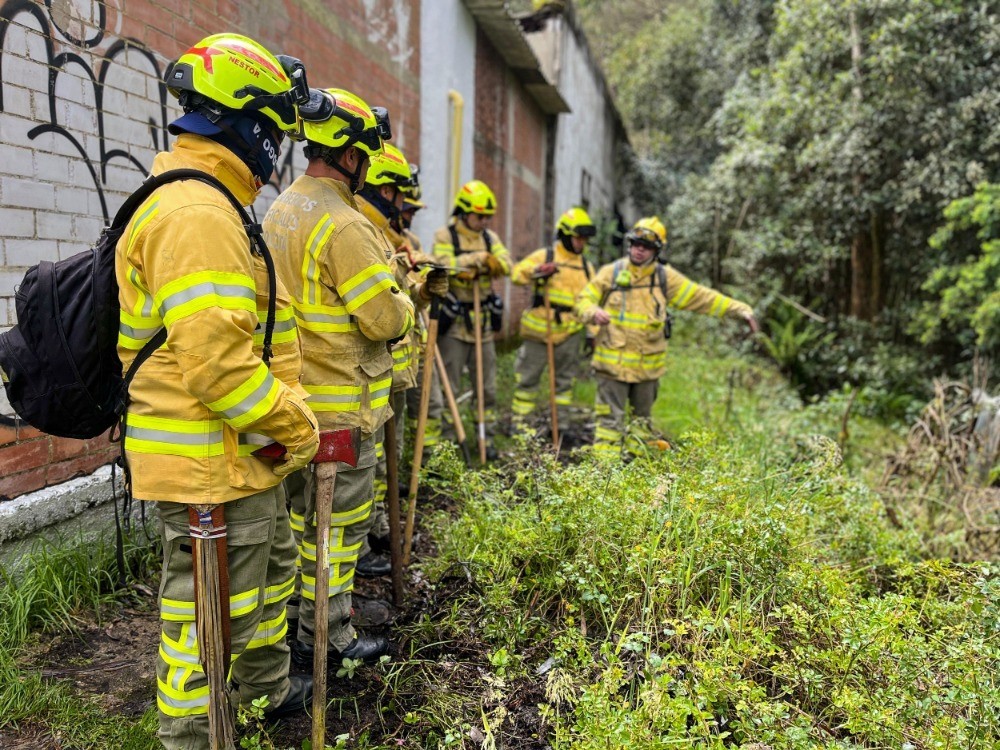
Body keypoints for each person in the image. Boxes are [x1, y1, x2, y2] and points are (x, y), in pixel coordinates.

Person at [115, 33, 319, 749]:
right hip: (211, 462)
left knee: (260, 589)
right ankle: (193, 738)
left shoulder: (209, 202)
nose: (276, 148)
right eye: (273, 128)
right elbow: (218, 368)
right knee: (204, 620)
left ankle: (261, 700)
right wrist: (296, 426)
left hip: (234, 455)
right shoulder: (197, 216)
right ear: (244, 121)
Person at [263, 87, 414, 666]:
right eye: (367, 157)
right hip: (342, 412)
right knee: (339, 535)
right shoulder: (345, 226)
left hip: (292, 404)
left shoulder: (281, 208)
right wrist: (402, 297)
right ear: (351, 156)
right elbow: (381, 318)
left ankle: (298, 632)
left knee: (300, 530)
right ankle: (328, 639)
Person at [575, 217, 758, 458]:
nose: (639, 250)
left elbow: (702, 298)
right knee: (609, 425)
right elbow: (582, 300)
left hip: (646, 372)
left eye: (646, 246)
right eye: (635, 243)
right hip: (611, 367)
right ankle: (602, 476)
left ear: (656, 250)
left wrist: (739, 309)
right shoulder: (612, 273)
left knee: (640, 426)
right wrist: (592, 312)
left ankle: (631, 474)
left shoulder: (664, 278)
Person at [353, 145, 446, 574]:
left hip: (398, 364)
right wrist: (412, 292)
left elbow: (402, 302)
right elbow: (384, 310)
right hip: (370, 368)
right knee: (370, 459)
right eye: (403, 199)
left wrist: (424, 291)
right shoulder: (364, 235)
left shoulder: (394, 240)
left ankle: (385, 519)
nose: (406, 210)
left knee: (391, 453)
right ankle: (372, 530)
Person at [432, 180, 511, 460]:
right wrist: (475, 260)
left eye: (488, 217)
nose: (484, 221)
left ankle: (484, 437)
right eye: (480, 216)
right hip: (454, 326)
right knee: (449, 387)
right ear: (465, 212)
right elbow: (442, 263)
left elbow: (506, 264)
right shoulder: (446, 235)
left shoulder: (490, 238)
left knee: (486, 388)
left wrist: (491, 262)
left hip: (483, 327)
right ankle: (452, 443)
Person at [510, 207, 597, 445]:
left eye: (585, 239)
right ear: (566, 235)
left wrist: (592, 334)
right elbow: (516, 274)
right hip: (539, 332)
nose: (582, 243)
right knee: (528, 381)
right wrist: (538, 271)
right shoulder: (546, 255)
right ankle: (521, 426)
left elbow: (593, 301)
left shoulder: (587, 268)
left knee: (564, 384)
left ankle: (562, 428)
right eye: (578, 238)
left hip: (569, 333)